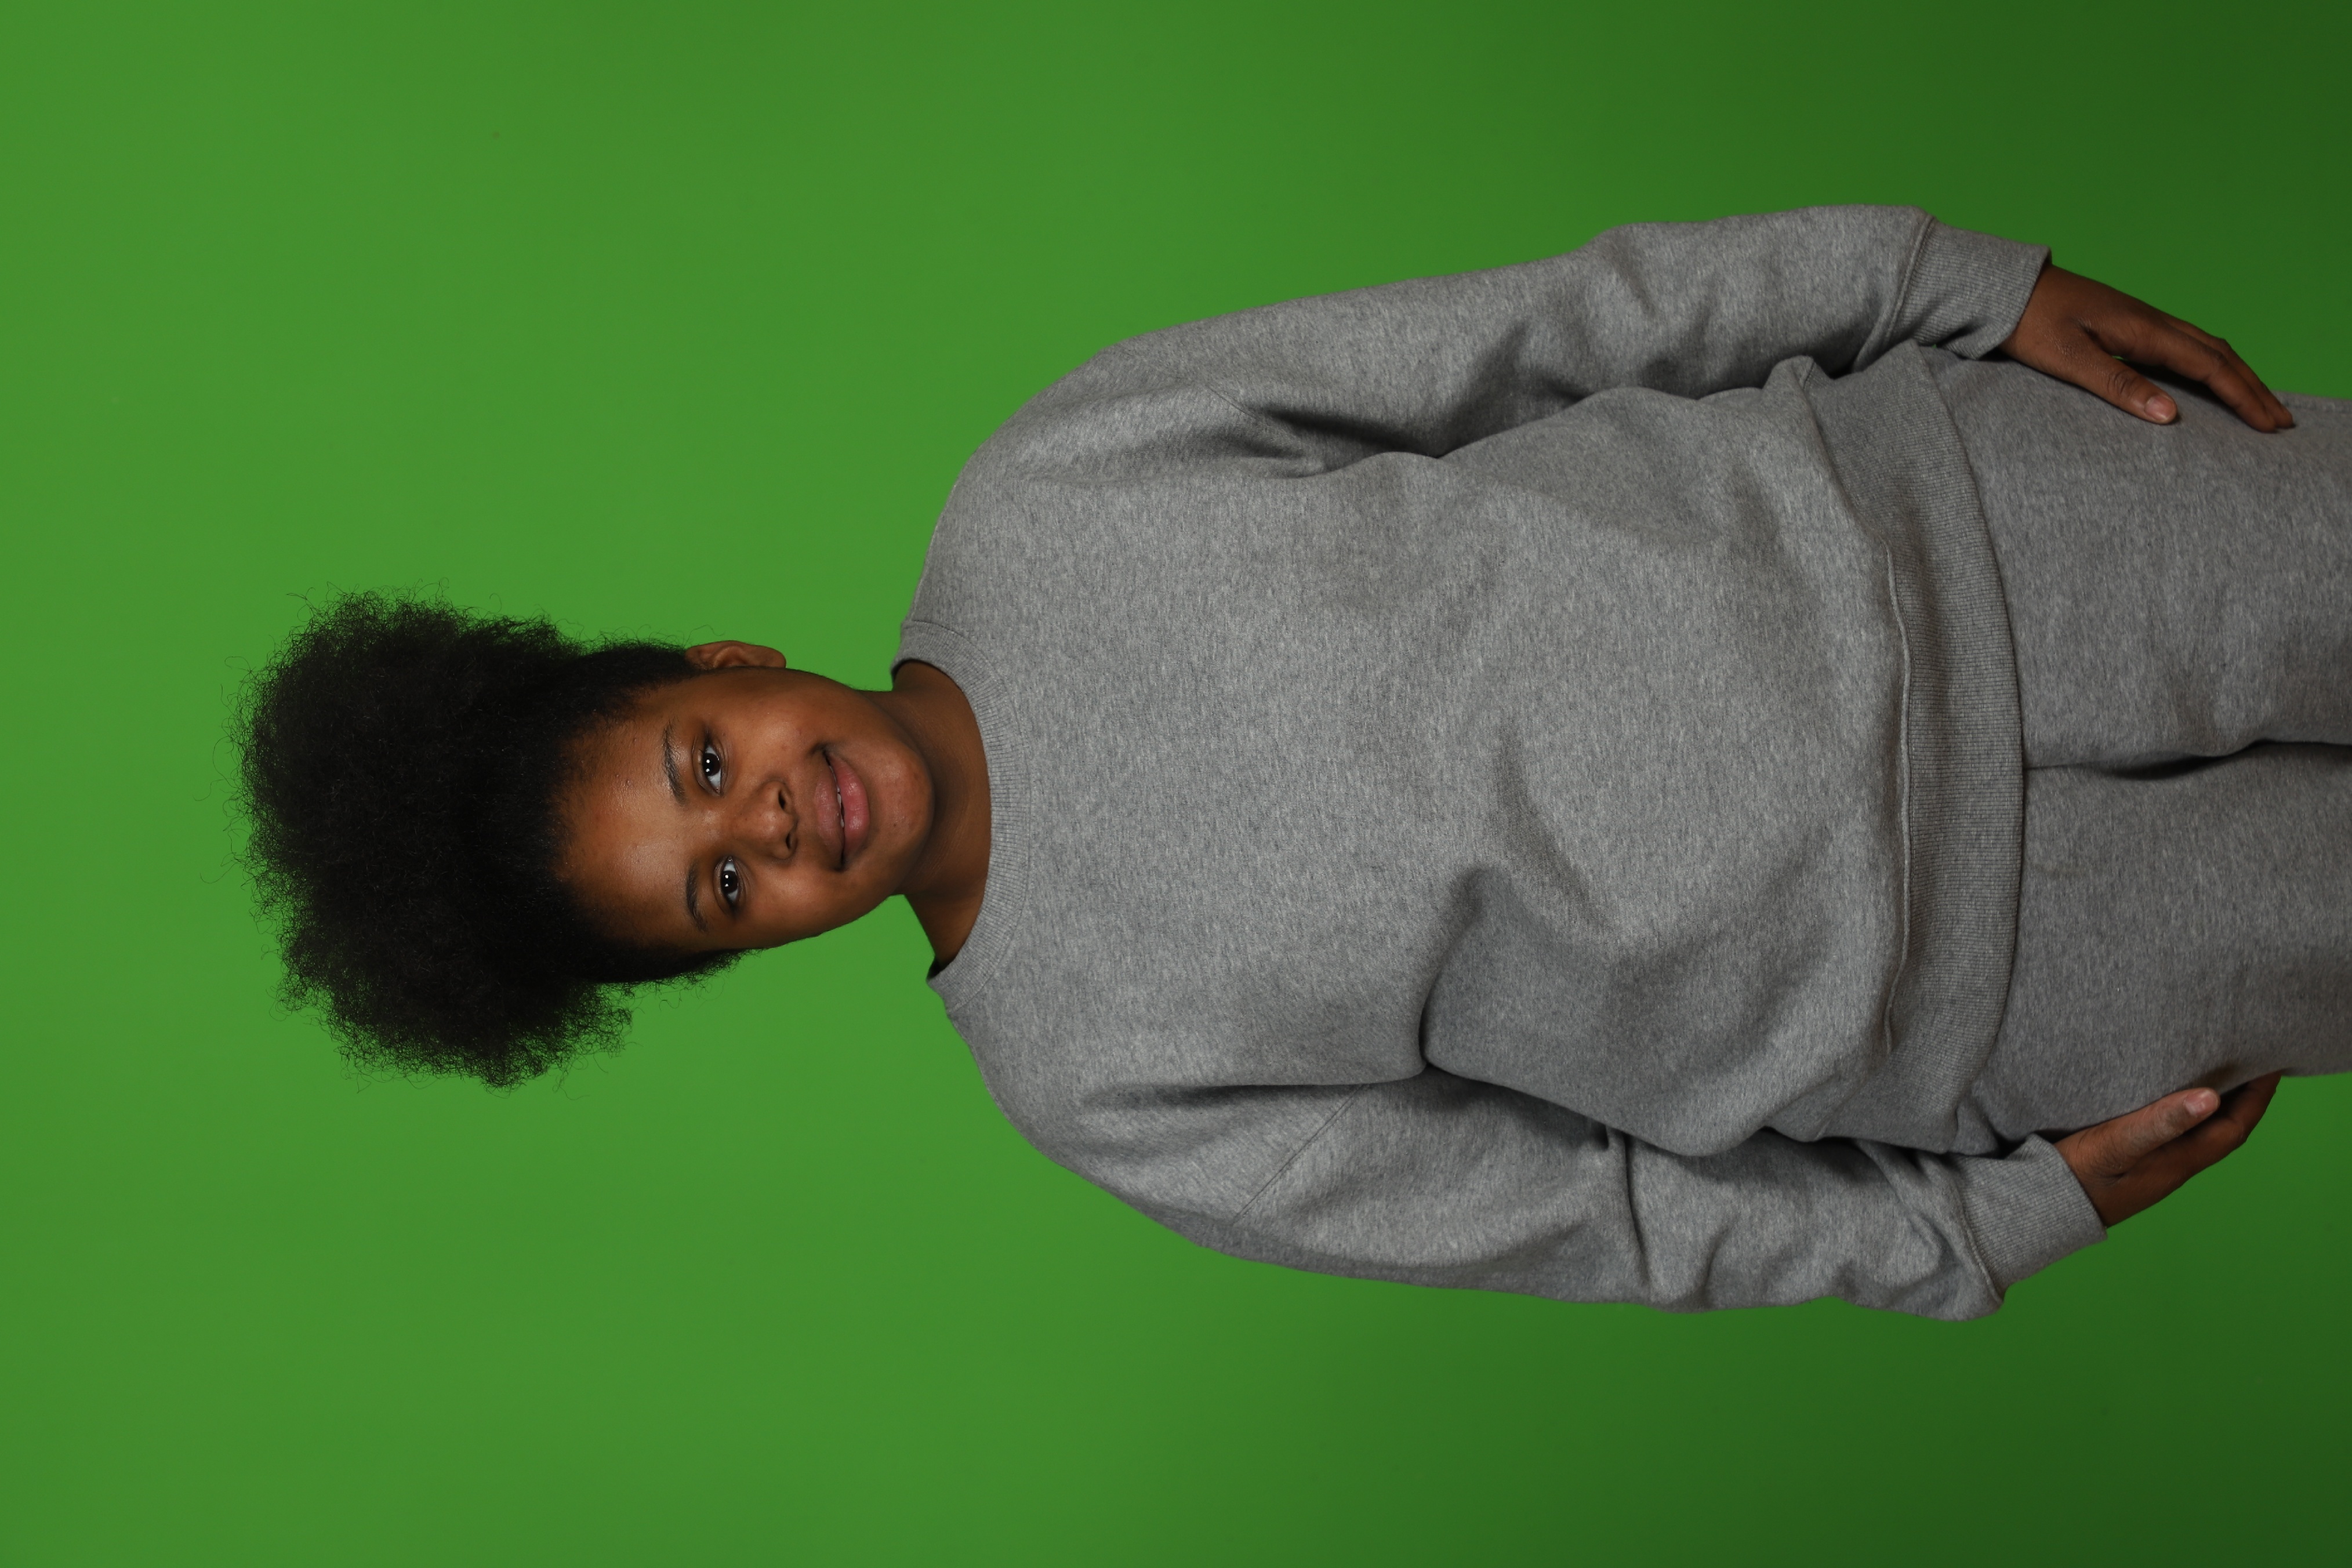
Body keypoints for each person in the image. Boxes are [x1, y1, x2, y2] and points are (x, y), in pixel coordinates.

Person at [238, 205, 2348, 1319]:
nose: (772, 823)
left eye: (706, 761)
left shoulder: (1051, 490)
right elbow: (1581, 1219)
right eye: (722, 889)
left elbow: (1558, 327)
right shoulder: (1093, 1083)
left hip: (1990, 528)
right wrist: (1956, 1243)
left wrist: (1938, 281)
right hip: (2005, 981)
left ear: (729, 661)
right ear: (748, 954)